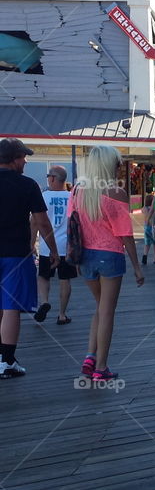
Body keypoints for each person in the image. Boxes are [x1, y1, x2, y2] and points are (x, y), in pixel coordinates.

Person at [68, 145, 144, 383]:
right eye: (118, 163)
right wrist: (137, 267)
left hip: (86, 256)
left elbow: (72, 225)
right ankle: (101, 367)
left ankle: (90, 357)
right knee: (107, 311)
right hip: (109, 255)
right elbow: (125, 235)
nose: (120, 167)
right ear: (109, 165)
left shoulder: (77, 190)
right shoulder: (116, 192)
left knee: (100, 307)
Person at [0, 138, 59, 378]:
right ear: (14, 159)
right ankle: (7, 361)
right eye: (23, 157)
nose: (25, 161)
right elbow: (42, 222)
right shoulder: (27, 185)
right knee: (11, 307)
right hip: (15, 254)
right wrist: (53, 250)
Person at [31, 164, 76, 324]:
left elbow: (35, 222)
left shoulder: (43, 197)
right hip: (66, 247)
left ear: (52, 178)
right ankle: (62, 314)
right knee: (65, 279)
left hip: (47, 246)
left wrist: (32, 243)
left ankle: (44, 302)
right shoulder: (72, 198)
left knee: (43, 276)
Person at [140, 194, 155, 266]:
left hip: (146, 227)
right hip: (153, 227)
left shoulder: (144, 208)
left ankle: (145, 256)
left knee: (147, 244)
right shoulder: (154, 209)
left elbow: (144, 213)